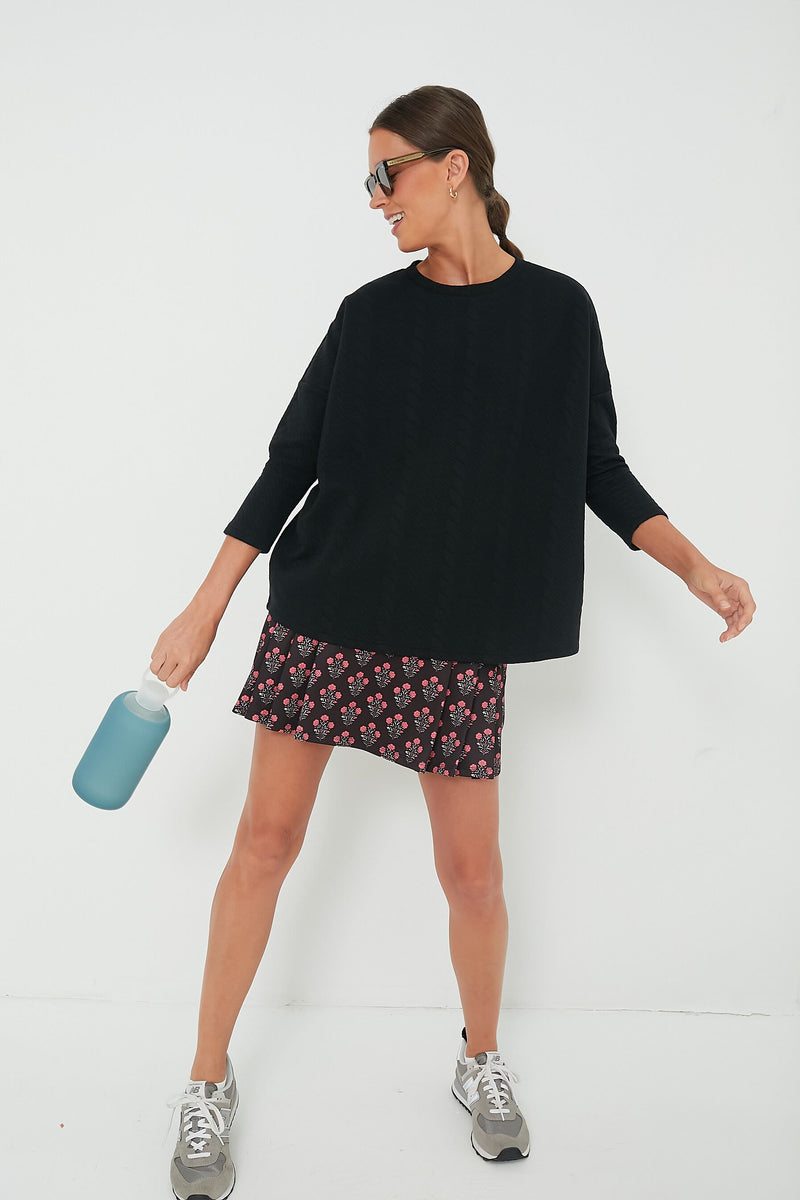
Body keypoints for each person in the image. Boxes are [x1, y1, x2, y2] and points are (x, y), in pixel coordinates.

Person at [157, 85, 756, 1196]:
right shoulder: (369, 315)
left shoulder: (559, 311)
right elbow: (290, 465)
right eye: (368, 179)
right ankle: (204, 1080)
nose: (373, 199)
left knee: (473, 875)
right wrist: (206, 608)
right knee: (264, 844)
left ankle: (479, 1059)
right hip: (329, 613)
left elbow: (597, 466)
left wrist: (695, 567)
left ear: (454, 167)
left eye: (385, 174)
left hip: (457, 628)